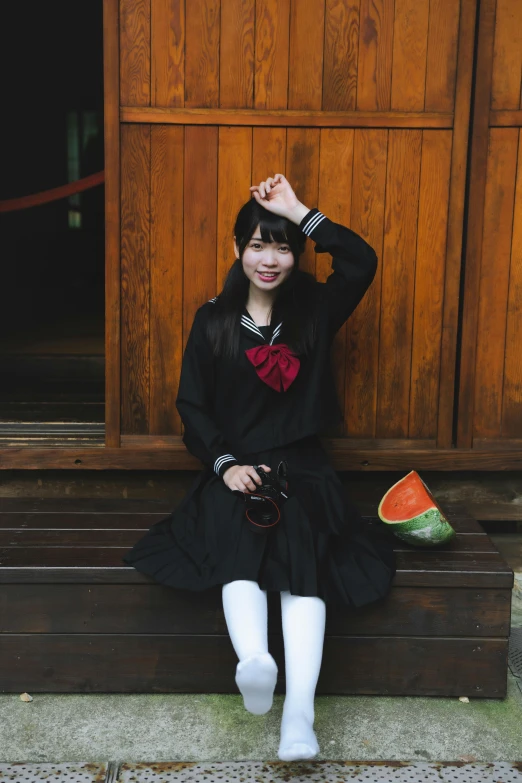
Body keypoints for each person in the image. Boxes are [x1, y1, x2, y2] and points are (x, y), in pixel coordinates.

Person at [122, 173, 396, 762]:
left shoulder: (317, 312)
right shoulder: (214, 323)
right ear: (237, 250)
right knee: (237, 537)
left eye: (282, 246)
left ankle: (299, 712)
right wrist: (223, 466)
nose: (269, 259)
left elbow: (362, 262)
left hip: (303, 467)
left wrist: (298, 210)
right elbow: (191, 406)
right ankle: (254, 660)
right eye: (257, 245)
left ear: (295, 253)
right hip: (237, 467)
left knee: (304, 561)